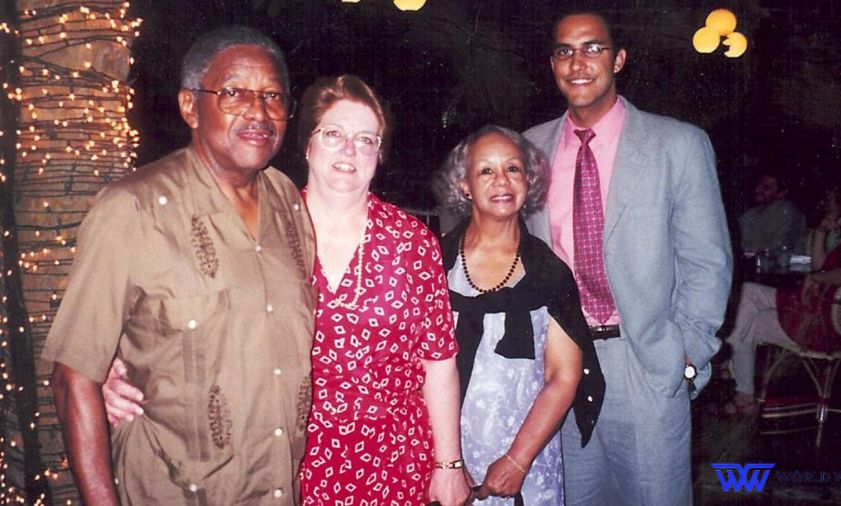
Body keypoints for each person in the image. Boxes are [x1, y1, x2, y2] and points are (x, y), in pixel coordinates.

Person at [42, 27, 316, 505]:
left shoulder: (288, 201)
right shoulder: (133, 209)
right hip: (171, 490)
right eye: (233, 92)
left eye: (273, 95)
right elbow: (73, 375)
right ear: (190, 106)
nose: (258, 110)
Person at [522, 10, 733, 505]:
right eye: (564, 50)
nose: (578, 62)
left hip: (646, 360)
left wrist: (685, 355)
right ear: (552, 63)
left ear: (618, 59)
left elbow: (709, 261)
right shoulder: (529, 149)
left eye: (592, 48)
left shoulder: (676, 144)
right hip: (559, 365)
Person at [295, 75, 470, 505]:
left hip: (394, 461)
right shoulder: (269, 229)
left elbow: (439, 362)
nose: (349, 150)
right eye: (333, 134)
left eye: (366, 139)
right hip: (292, 459)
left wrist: (448, 466)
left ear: (379, 154)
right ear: (307, 144)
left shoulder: (412, 243)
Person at [432, 125, 605, 504]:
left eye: (512, 168)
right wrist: (443, 463)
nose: (502, 181)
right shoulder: (433, 263)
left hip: (528, 461)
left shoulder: (548, 272)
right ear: (464, 185)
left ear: (528, 179)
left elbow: (563, 376)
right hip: (444, 458)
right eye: (485, 171)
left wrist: (517, 459)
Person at [725, 193, 841, 414]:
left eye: (832, 206)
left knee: (750, 318)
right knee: (748, 294)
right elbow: (820, 265)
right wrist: (820, 232)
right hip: (840, 325)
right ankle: (730, 362)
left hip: (820, 328)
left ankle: (740, 388)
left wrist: (814, 278)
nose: (827, 209)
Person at [739, 170, 807, 254]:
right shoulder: (750, 214)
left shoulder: (788, 211)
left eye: (766, 187)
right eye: (758, 184)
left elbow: (779, 245)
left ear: (781, 193)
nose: (757, 190)